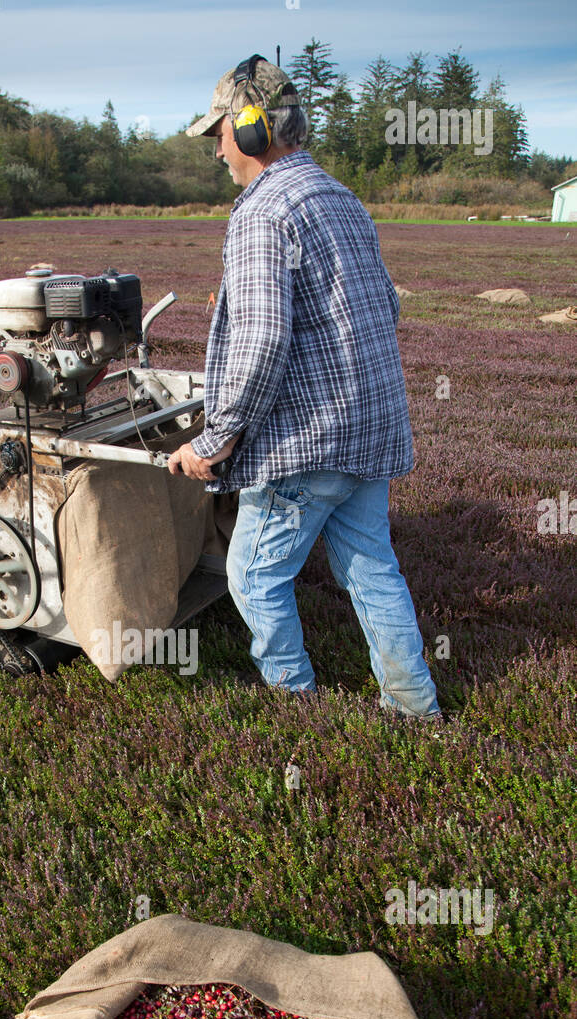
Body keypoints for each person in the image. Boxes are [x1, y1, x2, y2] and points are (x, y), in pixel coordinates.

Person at [166, 55, 441, 720]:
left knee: (255, 577)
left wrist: (215, 439)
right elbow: (384, 307)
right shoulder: (341, 198)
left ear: (253, 131)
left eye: (222, 136)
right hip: (371, 429)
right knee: (373, 570)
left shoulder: (261, 213)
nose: (220, 152)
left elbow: (262, 345)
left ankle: (299, 709)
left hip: (309, 441)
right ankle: (414, 708)